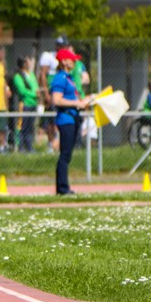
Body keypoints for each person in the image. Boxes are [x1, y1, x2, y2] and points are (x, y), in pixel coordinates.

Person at [50, 47, 91, 195]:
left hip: (73, 119)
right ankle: (62, 188)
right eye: (72, 59)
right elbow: (57, 99)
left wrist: (85, 100)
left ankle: (64, 187)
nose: (74, 62)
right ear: (64, 61)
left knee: (68, 154)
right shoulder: (60, 78)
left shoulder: (69, 78)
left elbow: (73, 99)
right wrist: (76, 104)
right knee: (65, 154)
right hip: (66, 119)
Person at [37, 36, 65, 152]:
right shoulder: (48, 56)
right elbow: (43, 75)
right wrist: (46, 93)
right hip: (52, 91)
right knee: (50, 120)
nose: (61, 47)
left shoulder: (66, 58)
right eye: (59, 45)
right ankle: (50, 143)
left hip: (62, 92)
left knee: (61, 119)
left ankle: (60, 143)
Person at [12, 56, 39, 152]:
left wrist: (37, 93)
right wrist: (33, 94)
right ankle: (20, 146)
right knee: (22, 125)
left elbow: (35, 86)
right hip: (24, 104)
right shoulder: (18, 76)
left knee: (30, 126)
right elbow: (22, 91)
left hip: (33, 103)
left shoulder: (31, 74)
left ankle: (29, 146)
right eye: (28, 61)